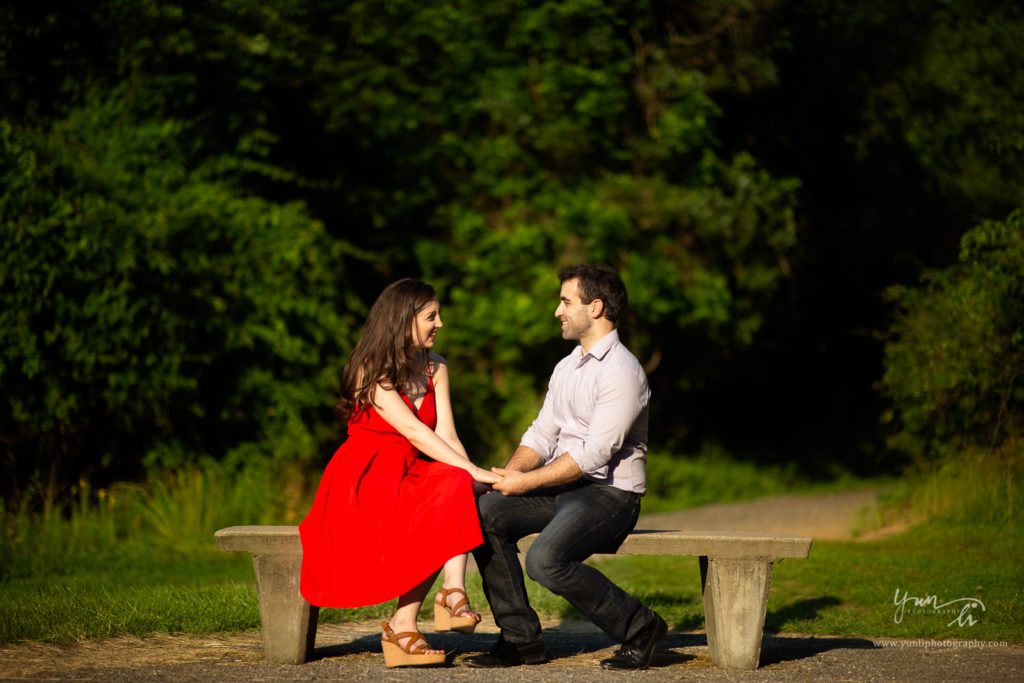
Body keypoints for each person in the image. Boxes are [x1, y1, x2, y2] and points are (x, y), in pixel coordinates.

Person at [466, 264, 667, 671]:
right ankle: (521, 639)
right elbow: (541, 434)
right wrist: (507, 478)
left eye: (565, 301)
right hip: (565, 489)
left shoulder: (622, 372)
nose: (557, 311)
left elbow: (596, 455)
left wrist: (524, 484)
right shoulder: (567, 367)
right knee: (483, 512)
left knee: (545, 561)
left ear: (595, 307)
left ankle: (640, 628)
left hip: (611, 495)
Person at [299, 278, 500, 668]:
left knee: (459, 484)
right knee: (449, 488)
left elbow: (447, 435)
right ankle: (420, 616)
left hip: (411, 471)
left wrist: (477, 476)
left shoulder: (436, 367)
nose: (440, 323)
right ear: (403, 320)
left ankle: (444, 597)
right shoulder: (368, 368)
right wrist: (470, 470)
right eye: (431, 316)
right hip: (365, 476)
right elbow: (413, 430)